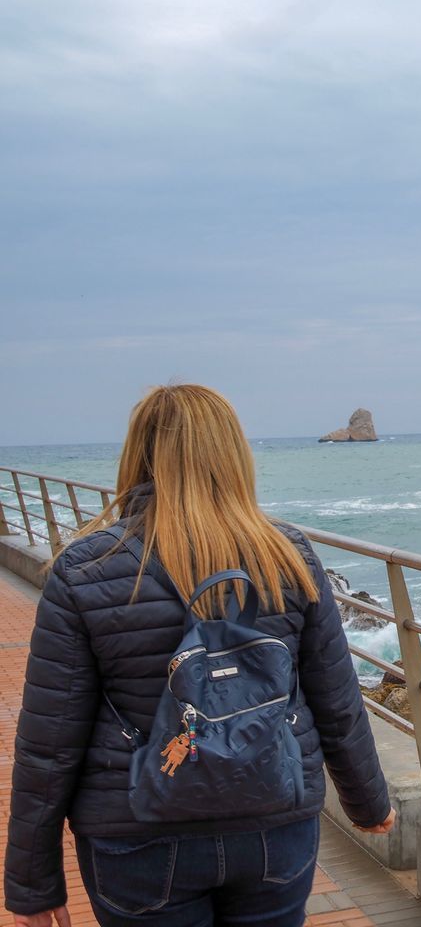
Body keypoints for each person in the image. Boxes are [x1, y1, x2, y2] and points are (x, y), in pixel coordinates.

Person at [4, 384, 395, 926]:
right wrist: (368, 803)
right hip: (272, 819)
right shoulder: (287, 556)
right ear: (233, 456)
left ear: (138, 457)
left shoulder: (87, 568)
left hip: (138, 829)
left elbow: (49, 739)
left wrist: (32, 881)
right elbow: (336, 697)